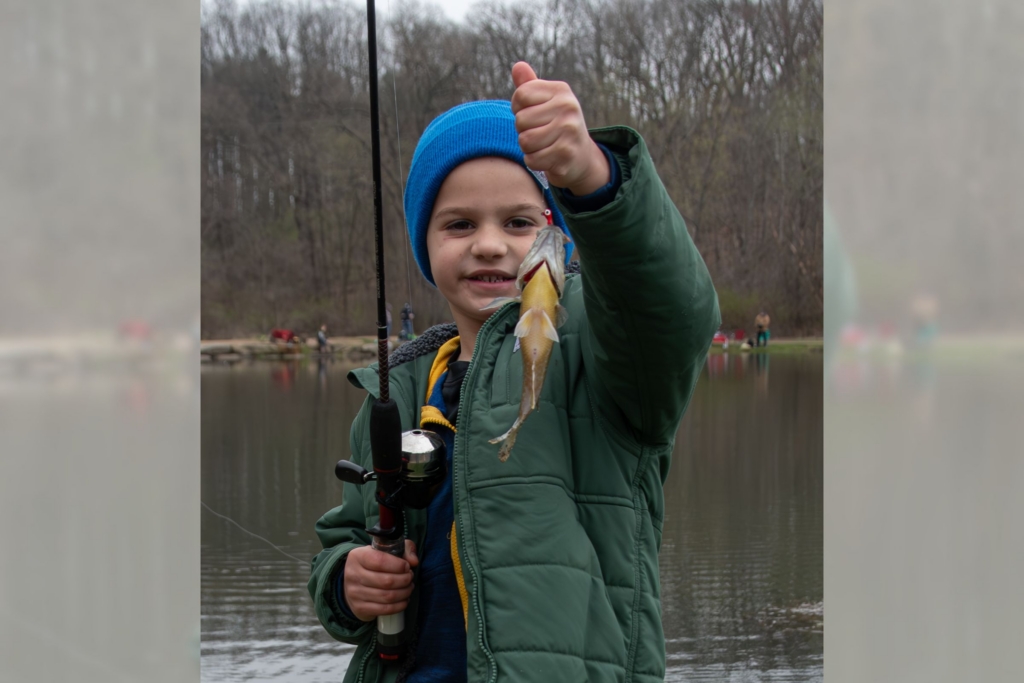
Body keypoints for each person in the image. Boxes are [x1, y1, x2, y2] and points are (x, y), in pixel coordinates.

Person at [308, 63, 719, 683]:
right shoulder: (396, 388)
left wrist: (592, 180)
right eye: (460, 224)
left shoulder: (601, 350)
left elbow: (673, 311)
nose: (491, 244)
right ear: (427, 245)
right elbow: (344, 536)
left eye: (520, 222)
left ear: (557, 233)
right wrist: (347, 580)